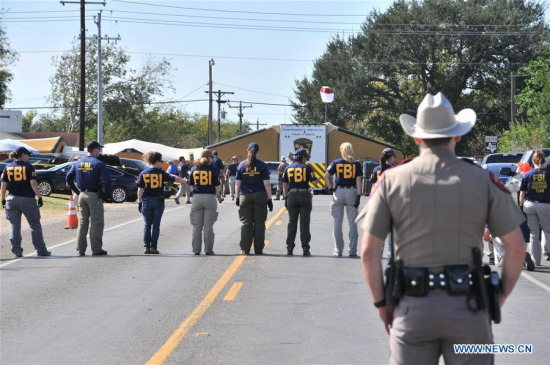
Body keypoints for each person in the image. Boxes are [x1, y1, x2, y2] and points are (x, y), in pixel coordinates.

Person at [359, 92, 526, 365]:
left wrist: (382, 304)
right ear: (457, 135)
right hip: (469, 308)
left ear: (416, 137)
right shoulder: (483, 180)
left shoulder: (391, 180)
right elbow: (517, 248)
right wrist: (498, 297)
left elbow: (368, 251)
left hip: (412, 309)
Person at [1, 147, 51, 258]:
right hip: (27, 199)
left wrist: (3, 199)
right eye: (27, 154)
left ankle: (17, 251)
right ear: (23, 155)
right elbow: (33, 184)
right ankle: (40, 250)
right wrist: (39, 197)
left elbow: (3, 185)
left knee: (14, 225)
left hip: (11, 199)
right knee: (35, 224)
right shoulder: (29, 167)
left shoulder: (8, 167)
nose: (29, 157)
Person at [66, 140, 111, 256]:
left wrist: (76, 191)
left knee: (82, 222)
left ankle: (80, 250)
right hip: (94, 195)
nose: (99, 151)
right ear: (95, 149)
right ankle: (96, 249)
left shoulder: (78, 163)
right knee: (97, 222)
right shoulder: (98, 163)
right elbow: (107, 181)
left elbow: (68, 178)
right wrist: (105, 194)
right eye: (99, 149)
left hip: (82, 195)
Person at [137, 152, 186, 254]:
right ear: (156, 161)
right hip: (158, 200)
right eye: (161, 161)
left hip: (146, 200)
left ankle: (146, 246)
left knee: (147, 225)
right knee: (156, 225)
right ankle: (154, 247)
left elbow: (140, 190)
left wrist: (139, 201)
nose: (162, 163)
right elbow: (174, 179)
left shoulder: (143, 173)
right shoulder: (161, 173)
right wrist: (184, 181)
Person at [323, 142, 363, 257]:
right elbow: (358, 180)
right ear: (351, 151)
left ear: (342, 151)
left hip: (339, 191)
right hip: (352, 192)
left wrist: (330, 187)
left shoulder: (336, 162)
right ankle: (352, 251)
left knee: (337, 222)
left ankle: (338, 250)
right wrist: (359, 196)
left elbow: (326, 176)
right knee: (353, 223)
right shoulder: (356, 164)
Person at [235, 142, 273, 255]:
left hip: (245, 196)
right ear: (257, 151)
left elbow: (238, 184)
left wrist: (237, 197)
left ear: (248, 150)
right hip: (260, 195)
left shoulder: (241, 165)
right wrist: (269, 199)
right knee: (259, 223)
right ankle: (258, 249)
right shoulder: (262, 165)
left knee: (246, 223)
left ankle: (245, 249)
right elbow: (267, 184)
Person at [282, 149, 318, 256]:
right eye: (306, 157)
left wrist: (285, 198)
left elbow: (284, 185)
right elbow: (315, 183)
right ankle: (305, 248)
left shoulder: (288, 168)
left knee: (291, 222)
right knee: (304, 223)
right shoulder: (307, 167)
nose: (307, 158)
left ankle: (289, 247)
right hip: (304, 195)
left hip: (292, 195)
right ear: (302, 157)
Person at [519, 150, 550, 266]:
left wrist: (521, 207)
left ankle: (536, 261)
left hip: (530, 205)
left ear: (533, 161)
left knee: (533, 233)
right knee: (547, 231)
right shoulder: (549, 174)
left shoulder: (528, 174)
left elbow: (522, 193)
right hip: (545, 205)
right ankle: (547, 252)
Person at [188, 149, 220, 255]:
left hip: (197, 197)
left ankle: (196, 250)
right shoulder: (212, 170)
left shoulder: (194, 169)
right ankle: (208, 250)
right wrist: (214, 195)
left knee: (196, 226)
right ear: (209, 157)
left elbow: (191, 185)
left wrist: (196, 192)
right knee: (208, 226)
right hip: (210, 197)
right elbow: (217, 186)